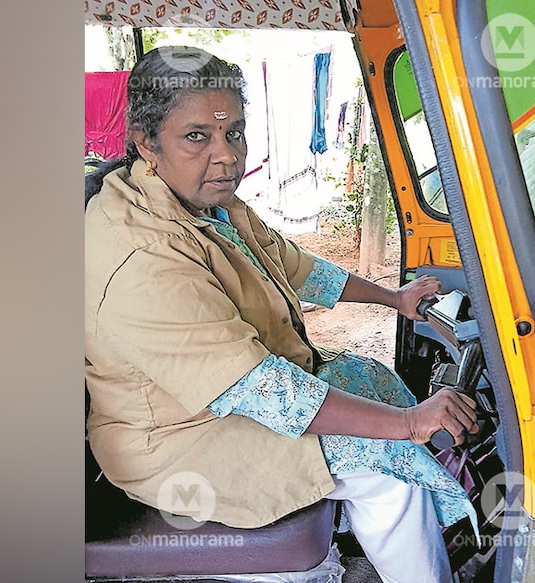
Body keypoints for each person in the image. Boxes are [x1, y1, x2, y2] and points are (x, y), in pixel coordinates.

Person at [84, 46, 478, 583]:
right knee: (388, 470)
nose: (226, 155)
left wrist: (395, 300)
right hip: (178, 443)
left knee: (370, 376)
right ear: (146, 144)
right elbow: (259, 388)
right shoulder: (141, 256)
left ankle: (426, 511)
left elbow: (295, 266)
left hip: (216, 408)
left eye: (235, 133)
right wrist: (409, 425)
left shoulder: (207, 204)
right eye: (196, 136)